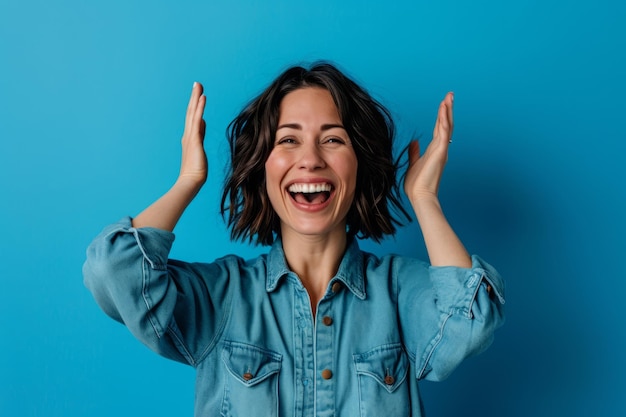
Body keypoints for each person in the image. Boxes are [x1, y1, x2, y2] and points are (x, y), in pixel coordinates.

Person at [83, 63, 505, 417]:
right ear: (261, 166)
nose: (310, 159)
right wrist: (188, 182)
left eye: (333, 139)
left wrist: (424, 199)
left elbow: (470, 322)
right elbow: (113, 270)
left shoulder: (397, 292)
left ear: (359, 166)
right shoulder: (222, 296)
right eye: (288, 139)